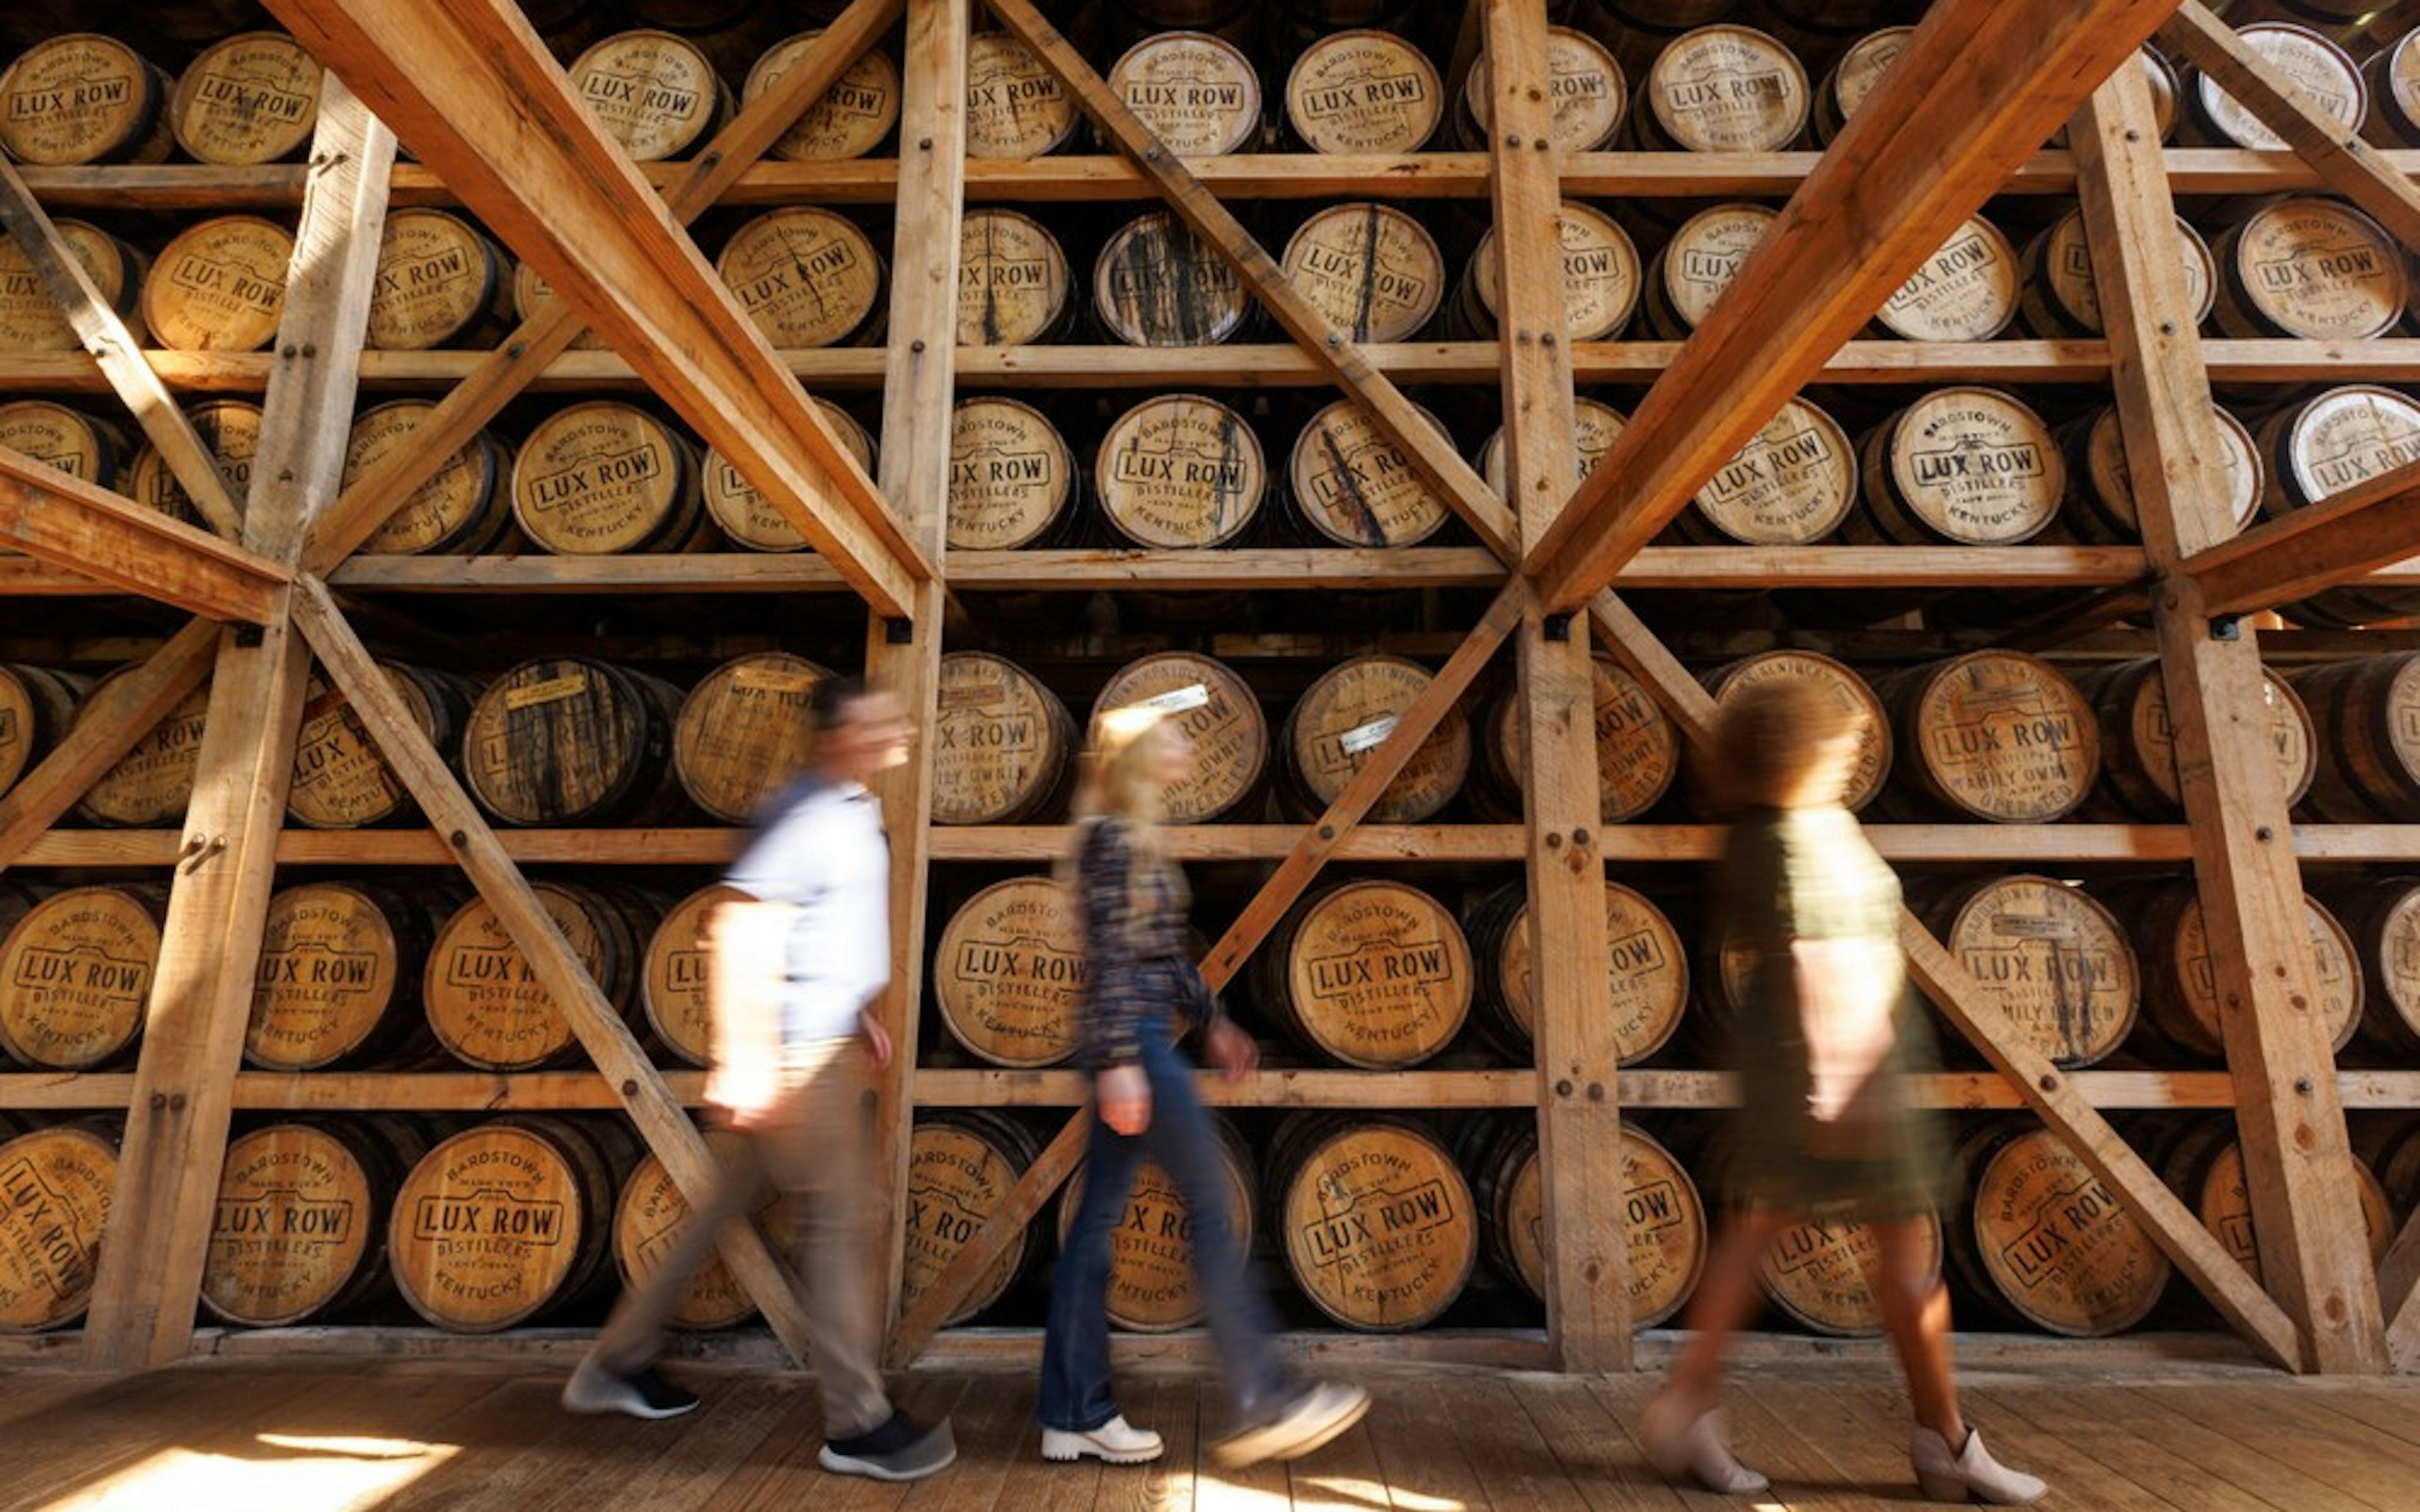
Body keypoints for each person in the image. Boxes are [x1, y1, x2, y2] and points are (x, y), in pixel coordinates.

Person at [1640, 679, 2045, 1506]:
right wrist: (1838, 1082)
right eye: (1836, 741)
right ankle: (1946, 1441)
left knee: (1774, 1238)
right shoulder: (1783, 835)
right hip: (1838, 1060)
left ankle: (1695, 1409)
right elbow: (1807, 958)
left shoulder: (1811, 823)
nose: (1852, 750)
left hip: (1855, 1053)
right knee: (1880, 1258)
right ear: (1795, 751)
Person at [563, 677, 956, 1484]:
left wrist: (855, 1010)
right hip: (793, 1057)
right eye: (882, 721)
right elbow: (743, 924)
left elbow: (824, 923)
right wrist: (744, 1057)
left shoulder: (852, 808)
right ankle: (857, 1422)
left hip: (820, 1039)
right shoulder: (809, 816)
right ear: (841, 737)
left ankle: (616, 1361)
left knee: (719, 1210)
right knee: (842, 1227)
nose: (901, 731)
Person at [1039, 704, 1369, 1469]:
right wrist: (1123, 1060)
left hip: (1140, 1043)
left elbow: (1161, 957)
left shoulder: (1130, 835)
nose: (1189, 746)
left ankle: (1072, 1413)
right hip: (1137, 1049)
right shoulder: (1111, 841)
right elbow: (1111, 961)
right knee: (1212, 1213)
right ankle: (1266, 1396)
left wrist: (1213, 1019)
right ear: (1139, 756)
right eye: (1173, 736)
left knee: (1094, 1233)